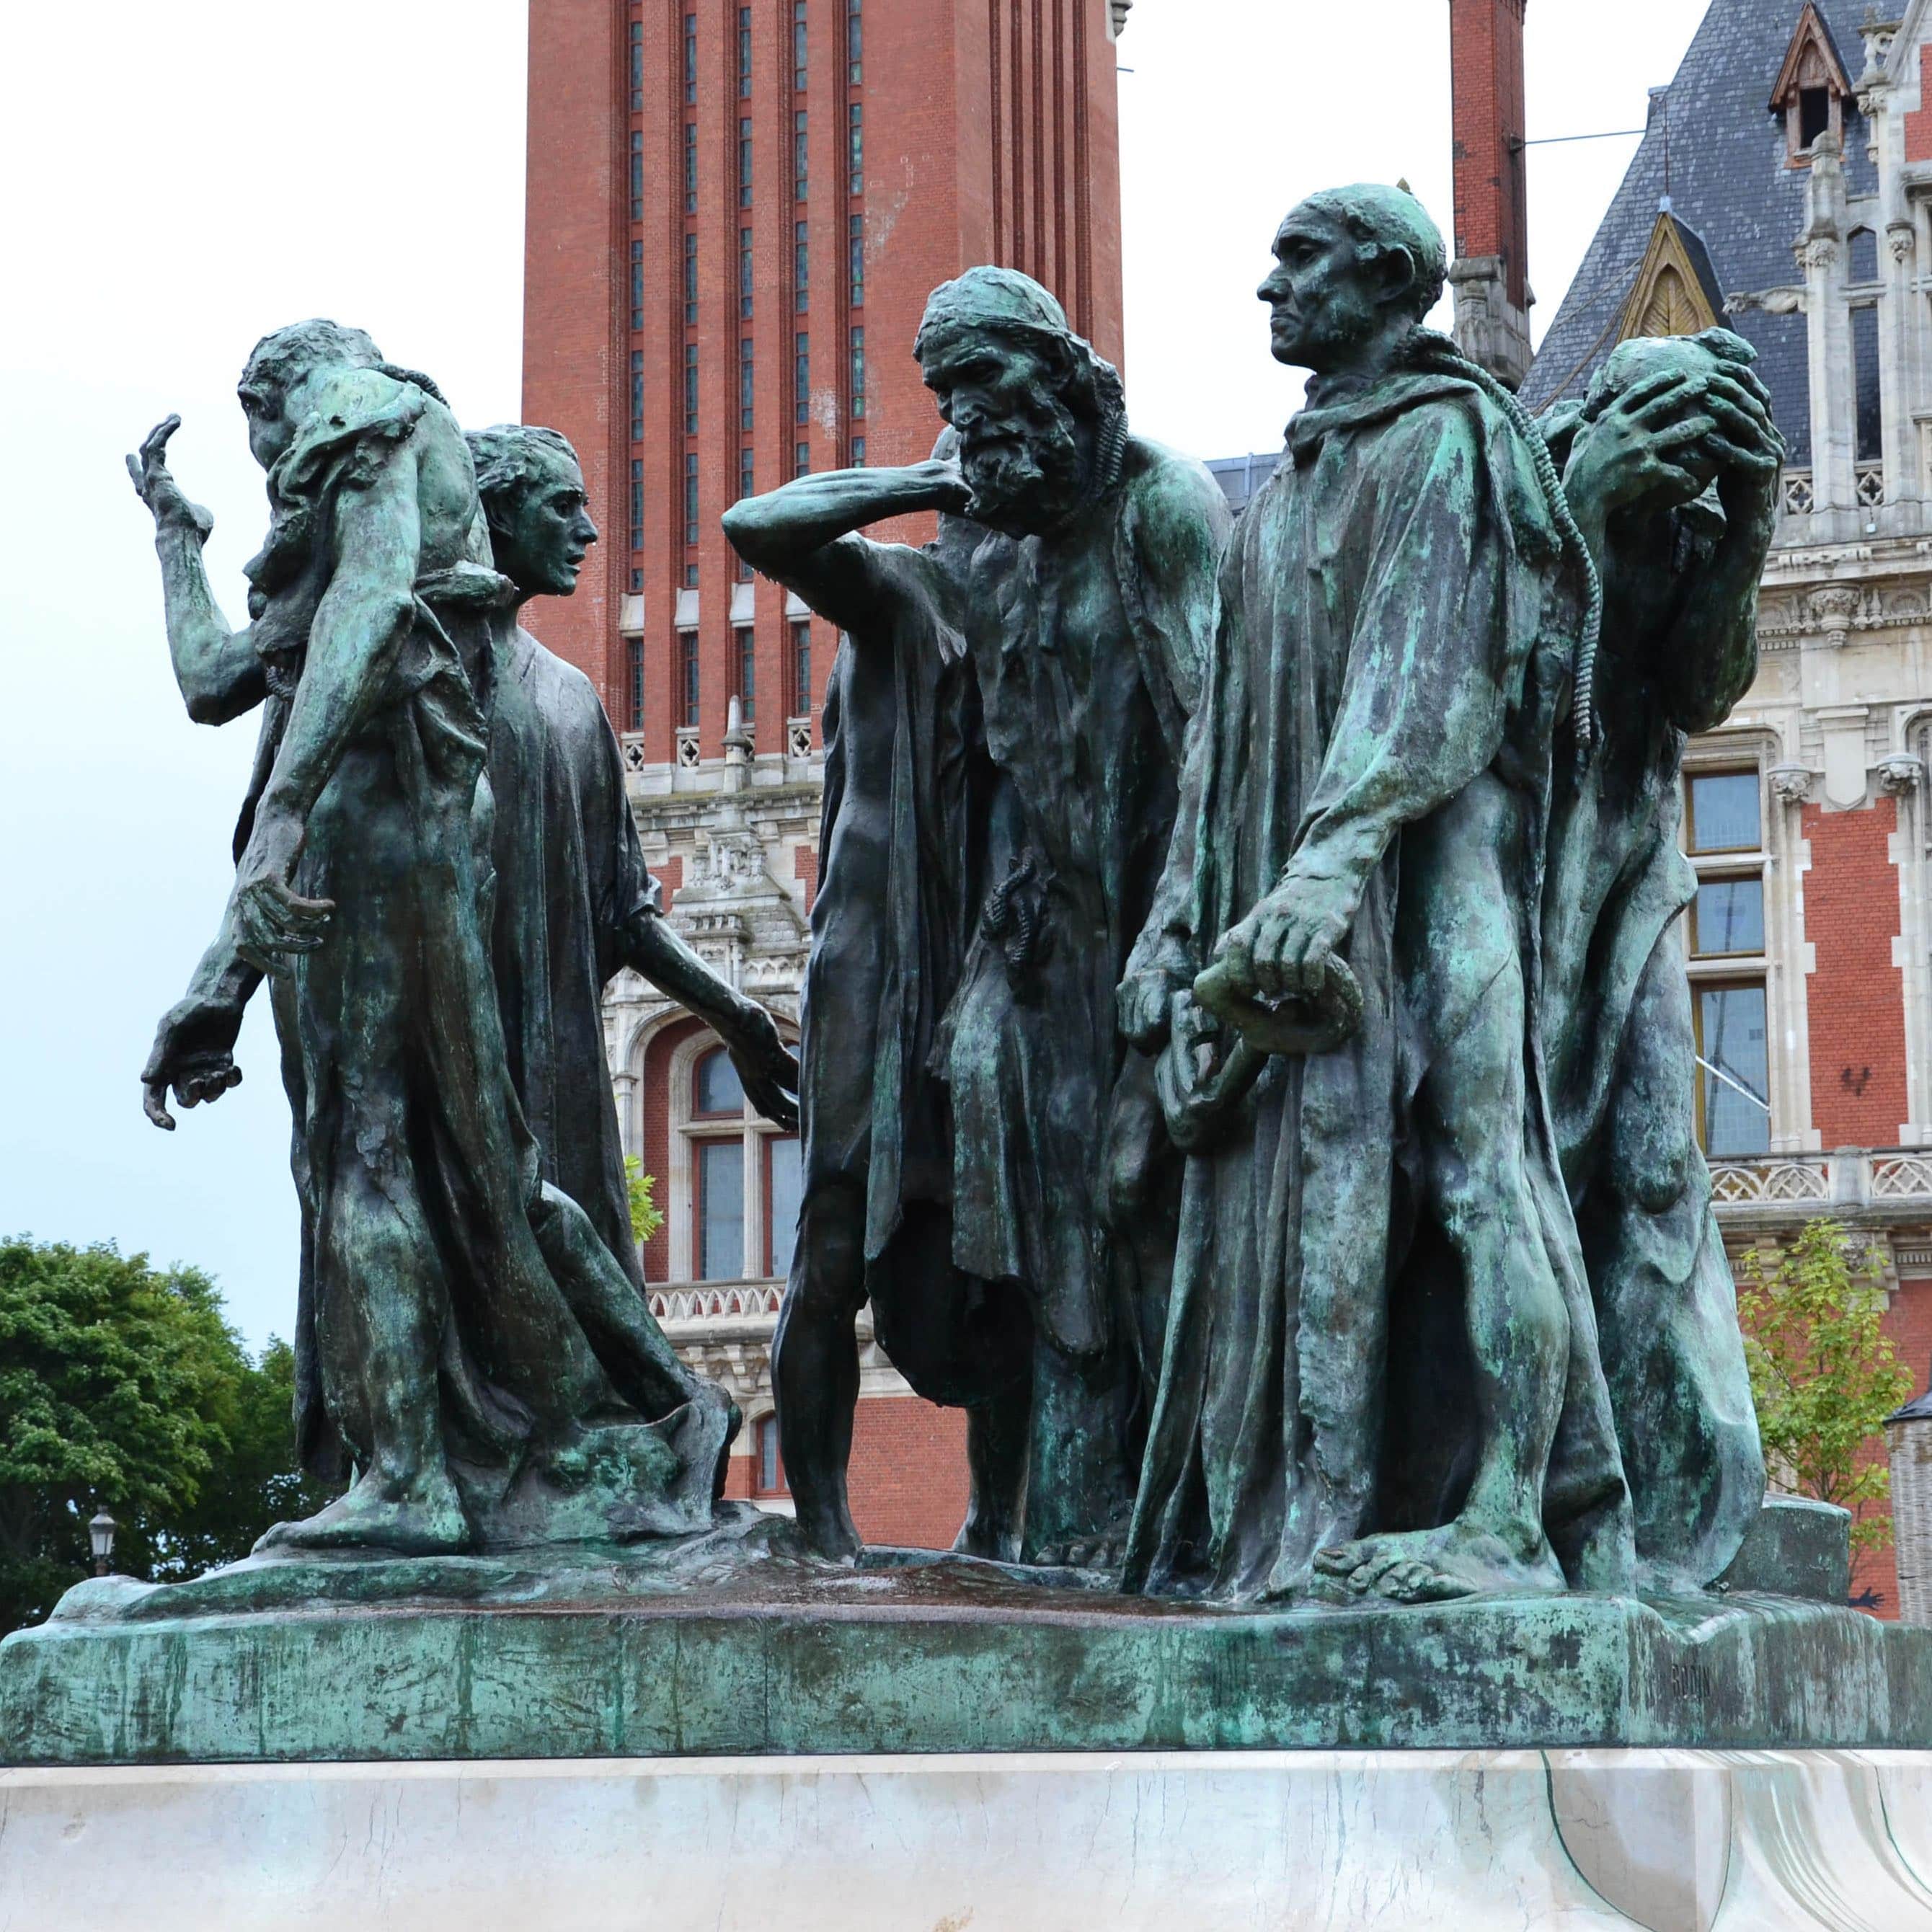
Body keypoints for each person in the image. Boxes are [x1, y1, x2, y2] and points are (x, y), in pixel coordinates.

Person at [130, 322, 734, 1554]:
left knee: (361, 1158)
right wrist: (176, 541)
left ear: (283, 396)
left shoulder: (361, 415)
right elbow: (214, 682)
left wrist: (282, 823)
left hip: (362, 839)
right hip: (428, 847)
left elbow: (361, 607)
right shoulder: (415, 469)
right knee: (493, 1169)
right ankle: (667, 1403)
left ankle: (407, 1478)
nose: (271, 459)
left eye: (266, 433)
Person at [1121, 187, 1633, 1605]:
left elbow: (1428, 672)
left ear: (1381, 281)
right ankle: (1313, 1516)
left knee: (1481, 1181)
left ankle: (1505, 1520)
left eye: (1298, 260)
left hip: (1426, 879)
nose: (1265, 286)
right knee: (1322, 1202)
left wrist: (1328, 863)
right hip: (1304, 900)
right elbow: (1221, 745)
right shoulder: (1277, 495)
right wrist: (1178, 921)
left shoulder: (1442, 440)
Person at [727, 269, 1228, 1562]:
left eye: (984, 393)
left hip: (1134, 928)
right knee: (1000, 1238)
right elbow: (761, 528)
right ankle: (1020, 1526)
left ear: (1061, 372)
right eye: (947, 402)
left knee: (1117, 1217)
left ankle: (1124, 1521)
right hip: (1013, 945)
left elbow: (1219, 743)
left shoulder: (1162, 509)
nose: (970, 423)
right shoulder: (968, 553)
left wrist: (1180, 932)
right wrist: (937, 481)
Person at [1533, 329, 1779, 1590]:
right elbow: (1513, 696)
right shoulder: (1536, 505)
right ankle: (1549, 1478)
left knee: (1647, 1162)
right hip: (1522, 898)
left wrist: (1742, 534)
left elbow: (1700, 688)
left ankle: (1691, 1475)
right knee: (1533, 1176)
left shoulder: (1683, 531)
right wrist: (1584, 504)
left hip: (1627, 890)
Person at [466, 421, 797, 1290]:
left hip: (559, 1074)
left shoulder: (574, 699)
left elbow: (627, 910)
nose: (589, 532)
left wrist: (737, 1015)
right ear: (492, 515)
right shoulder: (413, 673)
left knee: (592, 1306)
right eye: (562, 506)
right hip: (451, 1064)